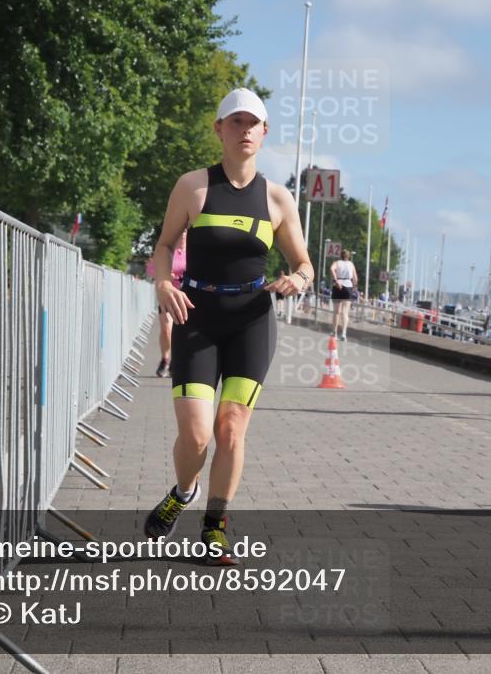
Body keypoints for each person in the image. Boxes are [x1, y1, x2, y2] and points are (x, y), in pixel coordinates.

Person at [145, 88, 313, 564]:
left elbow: (304, 263)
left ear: (265, 133)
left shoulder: (277, 198)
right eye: (235, 122)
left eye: (253, 123)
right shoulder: (193, 186)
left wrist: (298, 279)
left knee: (232, 428)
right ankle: (184, 490)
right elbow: (164, 246)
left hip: (251, 321)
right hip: (196, 317)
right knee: (197, 435)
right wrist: (163, 283)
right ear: (219, 129)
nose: (244, 131)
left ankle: (214, 527)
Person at [155, 232, 187, 377]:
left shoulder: (193, 251)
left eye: (186, 232)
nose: (183, 235)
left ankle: (176, 361)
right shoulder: (168, 251)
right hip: (168, 297)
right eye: (181, 232)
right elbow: (153, 271)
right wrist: (167, 276)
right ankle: (165, 359)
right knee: (167, 330)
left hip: (186, 298)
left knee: (181, 333)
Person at [329, 249, 358, 341]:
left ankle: (334, 333)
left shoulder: (337, 263)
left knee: (336, 312)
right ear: (349, 256)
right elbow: (355, 278)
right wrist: (354, 286)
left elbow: (331, 269)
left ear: (340, 255)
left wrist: (335, 280)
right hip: (348, 286)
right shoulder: (351, 264)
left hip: (338, 285)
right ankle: (344, 334)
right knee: (345, 312)